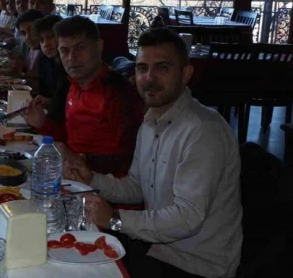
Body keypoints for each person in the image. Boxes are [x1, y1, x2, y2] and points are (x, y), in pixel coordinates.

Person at [72, 28, 242, 278]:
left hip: (196, 266)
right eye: (142, 68)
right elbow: (136, 186)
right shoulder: (152, 120)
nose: (149, 78)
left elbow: (187, 218)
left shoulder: (203, 130)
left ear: (185, 74)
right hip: (157, 250)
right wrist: (90, 178)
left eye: (162, 67)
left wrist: (115, 219)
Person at [24, 16, 143, 178]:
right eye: (64, 51)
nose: (72, 58)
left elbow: (129, 160)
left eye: (80, 48)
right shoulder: (74, 85)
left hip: (102, 184)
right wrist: (42, 123)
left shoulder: (119, 93)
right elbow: (70, 139)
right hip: (73, 175)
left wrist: (80, 159)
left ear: (99, 46)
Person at [32, 15, 67, 102]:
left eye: (50, 37)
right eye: (41, 40)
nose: (45, 44)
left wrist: (50, 103)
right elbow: (43, 93)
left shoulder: (70, 65)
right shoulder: (44, 60)